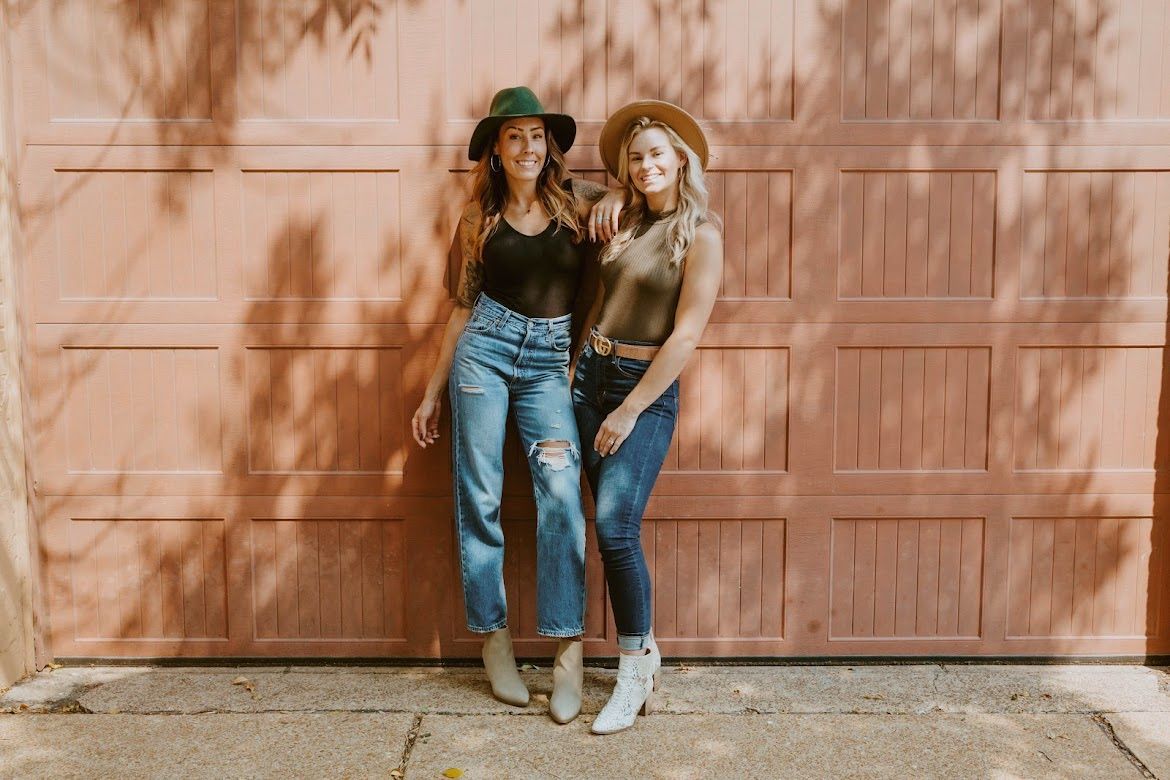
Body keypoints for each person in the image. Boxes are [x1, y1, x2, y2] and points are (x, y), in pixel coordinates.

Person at [410, 86, 619, 724]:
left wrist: (616, 198)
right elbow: (462, 306)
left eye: (536, 135)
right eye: (514, 136)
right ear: (496, 150)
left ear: (548, 146)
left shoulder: (579, 202)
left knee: (561, 495)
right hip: (484, 352)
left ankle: (567, 654)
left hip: (549, 361)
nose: (527, 147)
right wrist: (432, 391)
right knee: (480, 495)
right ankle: (494, 641)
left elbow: (639, 203)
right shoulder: (479, 216)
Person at [572, 100, 723, 734]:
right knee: (596, 520)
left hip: (643, 390)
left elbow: (686, 336)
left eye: (657, 154)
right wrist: (609, 191)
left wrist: (631, 409)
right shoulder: (623, 217)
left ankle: (633, 669)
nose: (645, 166)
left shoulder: (702, 234)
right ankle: (645, 653)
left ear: (681, 160)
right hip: (589, 378)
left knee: (615, 528)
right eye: (635, 158)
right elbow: (556, 189)